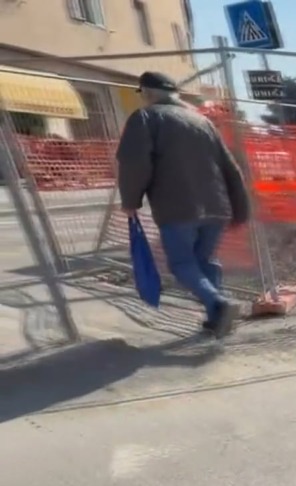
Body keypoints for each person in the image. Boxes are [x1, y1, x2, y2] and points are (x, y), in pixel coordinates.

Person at [116, 71, 249, 337]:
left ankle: (220, 304)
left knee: (182, 264)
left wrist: (131, 200)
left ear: (148, 93)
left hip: (178, 208)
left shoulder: (146, 118)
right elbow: (231, 167)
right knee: (205, 260)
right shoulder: (203, 122)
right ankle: (217, 321)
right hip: (216, 207)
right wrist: (240, 206)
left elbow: (134, 163)